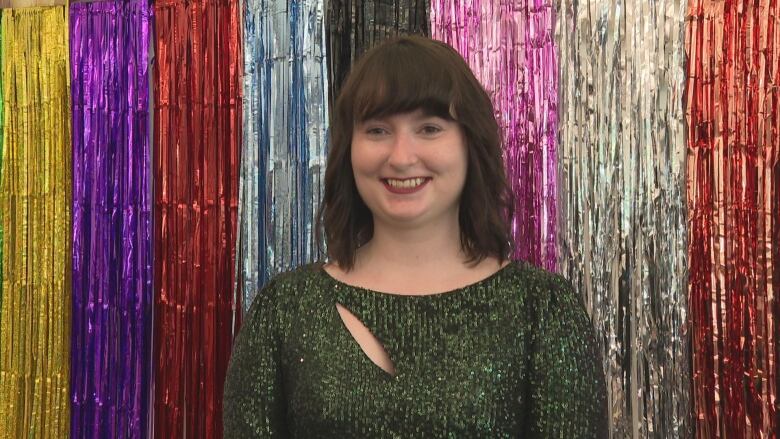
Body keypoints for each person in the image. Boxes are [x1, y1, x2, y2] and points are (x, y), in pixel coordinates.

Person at [223, 35, 608, 438]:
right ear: (348, 149)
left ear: (469, 143)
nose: (402, 156)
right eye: (377, 130)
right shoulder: (283, 311)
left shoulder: (543, 310)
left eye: (429, 128)